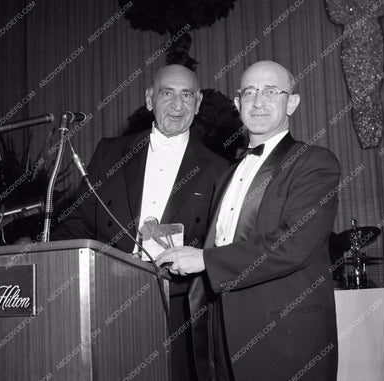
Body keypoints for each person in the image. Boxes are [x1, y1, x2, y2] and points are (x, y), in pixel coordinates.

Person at [157, 61, 340, 381]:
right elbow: (225, 245)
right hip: (220, 340)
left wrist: (204, 259)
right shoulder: (226, 174)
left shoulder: (314, 163)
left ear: (292, 102)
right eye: (250, 92)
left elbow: (293, 245)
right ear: (238, 104)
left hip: (285, 339)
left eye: (271, 91)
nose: (258, 101)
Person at [52, 64, 228, 381]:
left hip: (179, 312)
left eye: (187, 95)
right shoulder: (109, 153)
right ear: (149, 99)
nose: (177, 105)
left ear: (198, 102)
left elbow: (222, 247)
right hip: (107, 301)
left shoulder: (220, 169)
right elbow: (77, 221)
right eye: (167, 93)